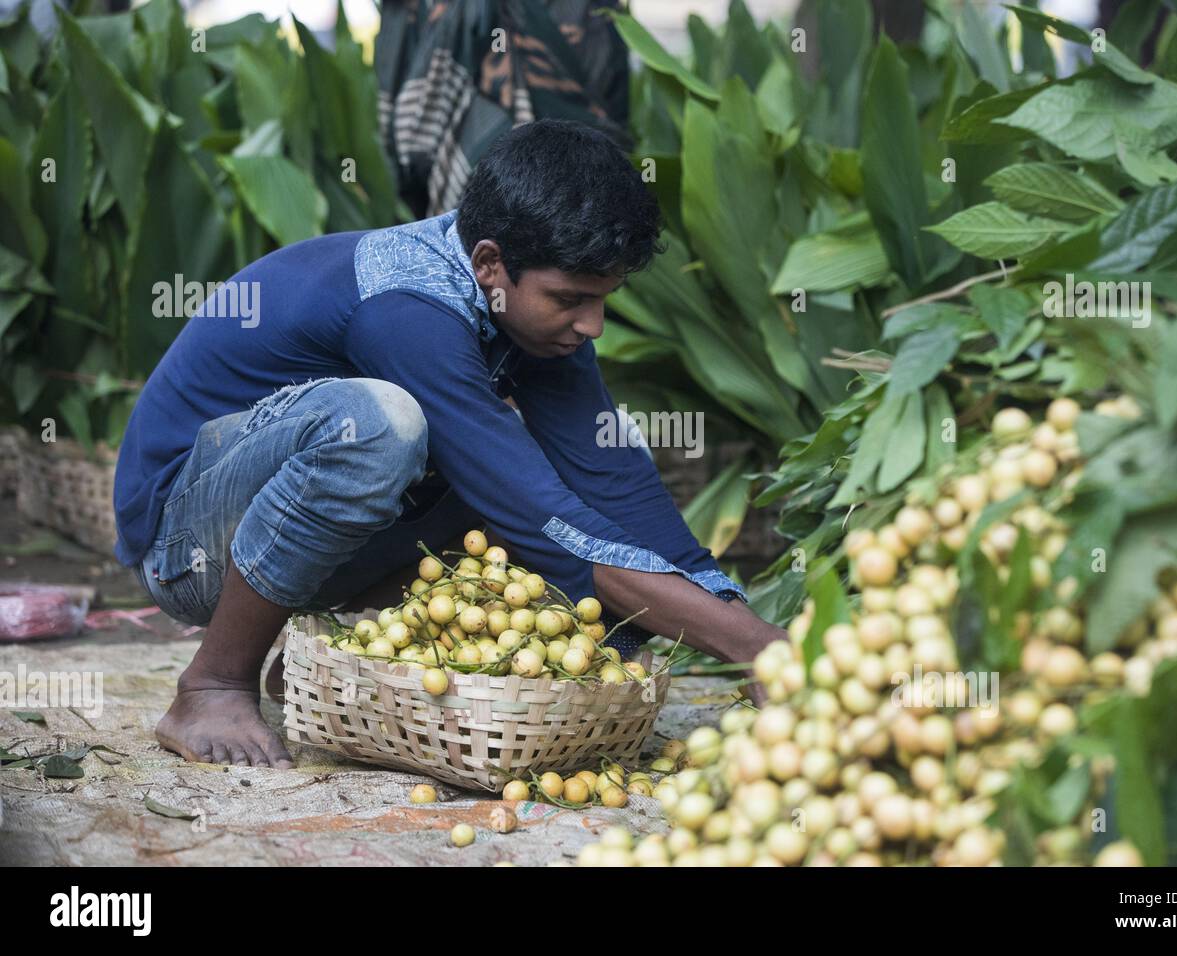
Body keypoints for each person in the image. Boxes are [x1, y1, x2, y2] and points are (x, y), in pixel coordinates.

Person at [112, 119, 786, 769]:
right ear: (491, 264)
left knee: (554, 535)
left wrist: (746, 628)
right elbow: (542, 518)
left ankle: (333, 659)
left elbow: (618, 490)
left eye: (604, 299)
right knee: (383, 425)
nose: (594, 325)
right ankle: (213, 683)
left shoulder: (533, 317)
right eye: (572, 298)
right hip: (189, 546)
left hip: (306, 544)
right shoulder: (404, 309)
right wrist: (757, 649)